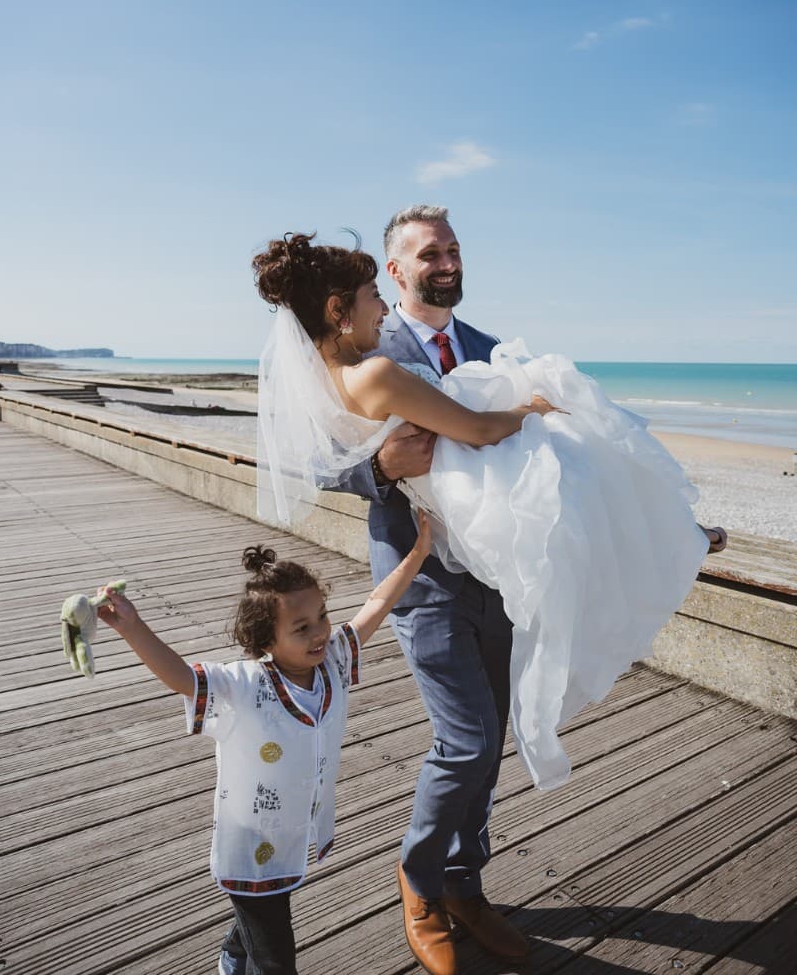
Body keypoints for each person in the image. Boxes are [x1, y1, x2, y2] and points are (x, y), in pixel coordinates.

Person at [252, 208, 727, 975]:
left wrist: (660, 522)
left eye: (454, 248)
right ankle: (419, 886)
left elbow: (560, 466)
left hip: (507, 577)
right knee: (465, 739)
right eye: (428, 252)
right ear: (394, 272)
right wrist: (380, 471)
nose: (446, 261)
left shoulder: (485, 348)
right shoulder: (368, 352)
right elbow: (313, 457)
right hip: (424, 576)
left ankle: (467, 885)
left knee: (489, 742)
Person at [96, 514, 433, 975]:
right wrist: (132, 628)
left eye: (321, 617)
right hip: (249, 845)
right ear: (264, 641)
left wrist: (418, 553)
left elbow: (378, 600)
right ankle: (245, 956)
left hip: (295, 830)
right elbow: (182, 677)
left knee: (264, 918)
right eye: (301, 628)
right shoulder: (242, 686)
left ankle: (235, 952)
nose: (319, 632)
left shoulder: (333, 658)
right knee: (275, 957)